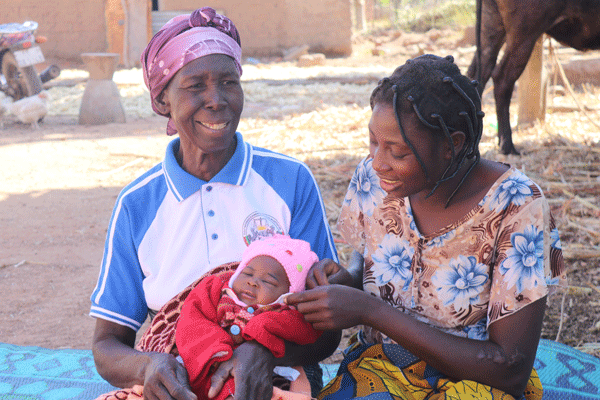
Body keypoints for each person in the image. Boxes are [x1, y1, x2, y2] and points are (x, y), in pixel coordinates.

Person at [89, 7, 340, 400]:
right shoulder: (138, 204)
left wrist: (262, 351)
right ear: (162, 99)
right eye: (195, 85)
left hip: (275, 375)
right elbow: (107, 344)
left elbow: (327, 325)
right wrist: (149, 365)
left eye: (228, 82)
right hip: (176, 383)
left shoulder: (289, 180)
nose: (217, 100)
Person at [286, 54, 567, 400]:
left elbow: (509, 367)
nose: (378, 163)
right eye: (374, 142)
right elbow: (370, 258)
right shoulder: (374, 180)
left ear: (454, 144)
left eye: (397, 152)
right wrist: (349, 278)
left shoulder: (517, 206)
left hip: (473, 385)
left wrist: (368, 310)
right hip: (379, 371)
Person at [176, 235, 323, 400]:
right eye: (247, 273)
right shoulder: (216, 292)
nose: (252, 282)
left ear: (289, 294)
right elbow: (193, 320)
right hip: (203, 362)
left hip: (259, 375)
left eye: (269, 282)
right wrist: (217, 350)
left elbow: (309, 331)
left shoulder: (285, 314)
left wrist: (262, 326)